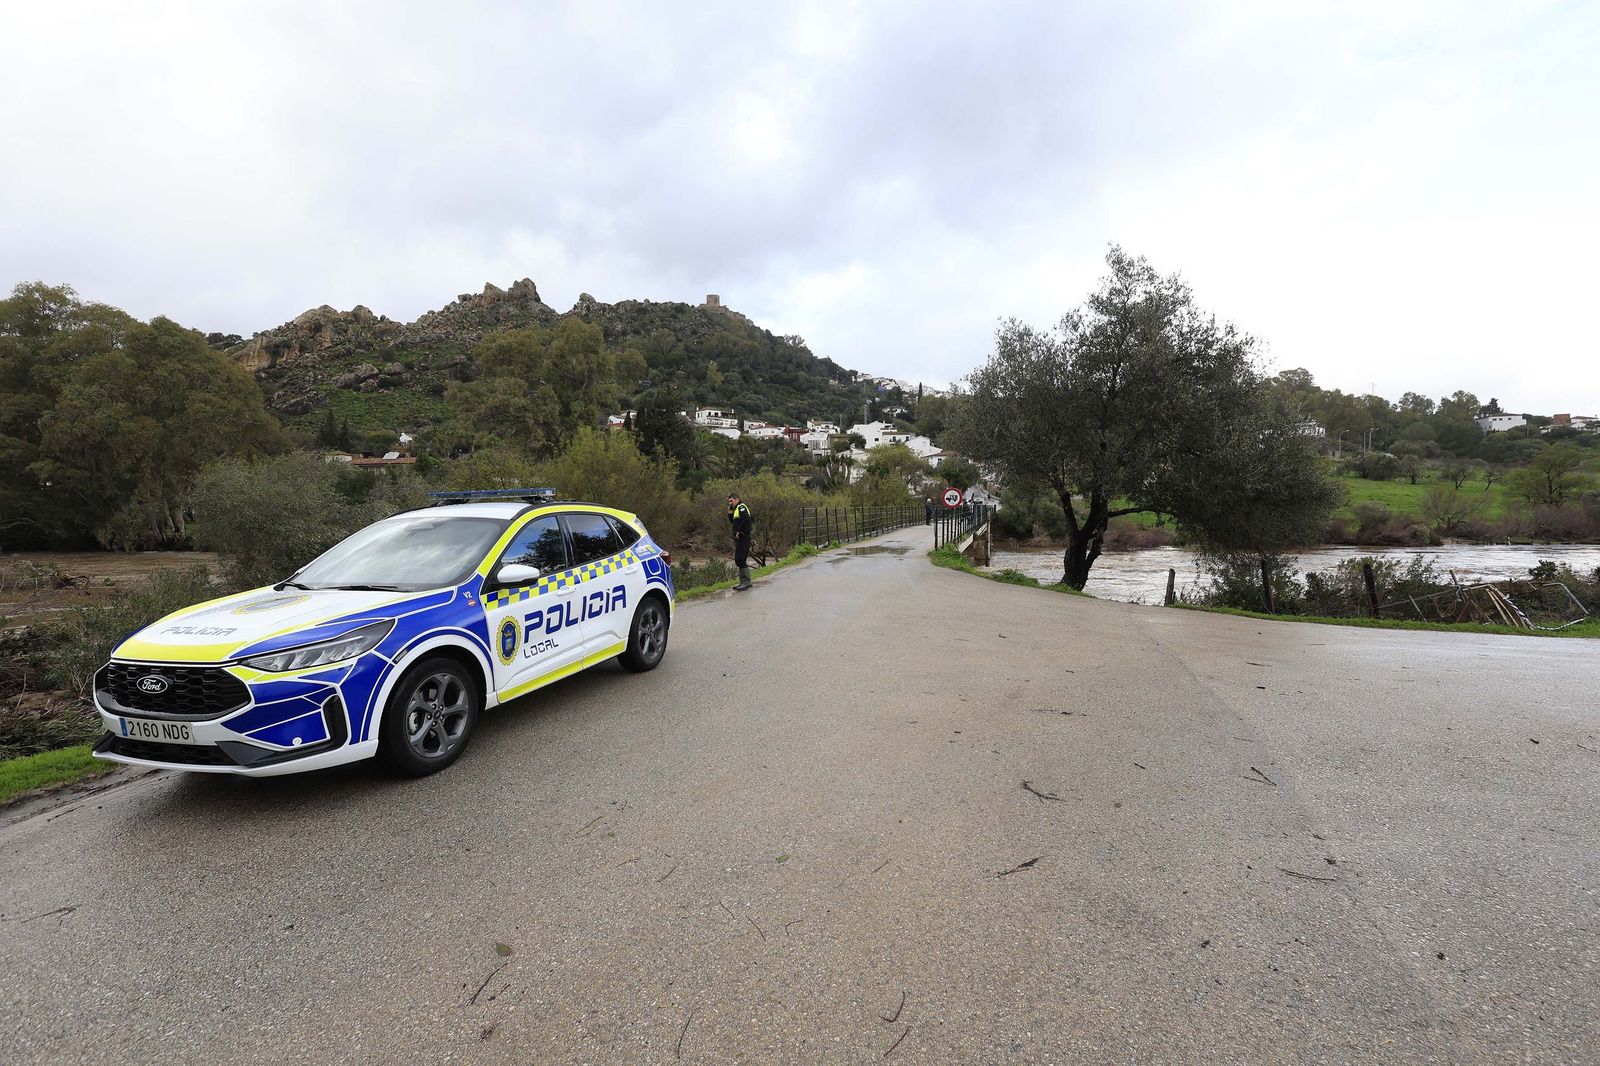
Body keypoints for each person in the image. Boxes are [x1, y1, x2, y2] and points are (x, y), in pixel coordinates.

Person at [727, 493, 753, 591]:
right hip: (740, 538)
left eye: (731, 500)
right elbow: (734, 523)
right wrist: (730, 514)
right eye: (729, 501)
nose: (730, 503)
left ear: (737, 499)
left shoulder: (742, 507)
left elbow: (747, 521)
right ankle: (743, 582)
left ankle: (746, 582)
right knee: (739, 560)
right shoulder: (736, 509)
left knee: (740, 559)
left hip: (744, 537)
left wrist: (740, 531)